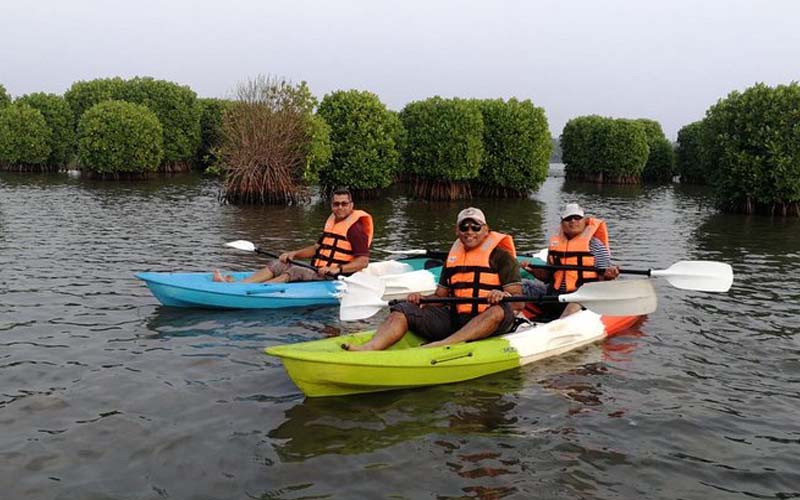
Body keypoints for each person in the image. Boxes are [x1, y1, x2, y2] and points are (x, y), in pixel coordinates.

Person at [345, 207, 522, 351]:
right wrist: (421, 299)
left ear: (485, 230)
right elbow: (440, 297)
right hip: (456, 319)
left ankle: (446, 343)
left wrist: (501, 294)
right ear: (457, 231)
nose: (469, 232)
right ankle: (370, 347)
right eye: (464, 227)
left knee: (498, 310)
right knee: (403, 308)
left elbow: (517, 303)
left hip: (492, 320)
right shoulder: (453, 259)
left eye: (475, 227)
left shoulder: (502, 257)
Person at [214, 188, 373, 283]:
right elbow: (317, 248)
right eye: (336, 204)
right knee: (279, 264)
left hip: (338, 278)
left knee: (296, 271)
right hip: (319, 270)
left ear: (351, 205)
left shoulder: (355, 229)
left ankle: (253, 290)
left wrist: (337, 269)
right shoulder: (333, 223)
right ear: (332, 206)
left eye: (344, 204)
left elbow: (363, 262)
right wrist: (293, 254)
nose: (340, 207)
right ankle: (241, 285)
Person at [521, 202, 620, 319]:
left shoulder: (596, 246)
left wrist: (609, 276)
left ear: (584, 222)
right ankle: (516, 320)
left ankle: (559, 327)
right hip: (554, 294)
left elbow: (602, 283)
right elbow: (548, 276)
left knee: (575, 303)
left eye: (577, 218)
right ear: (562, 223)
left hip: (582, 296)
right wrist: (533, 271)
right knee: (521, 284)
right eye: (568, 219)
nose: (573, 221)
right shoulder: (555, 245)